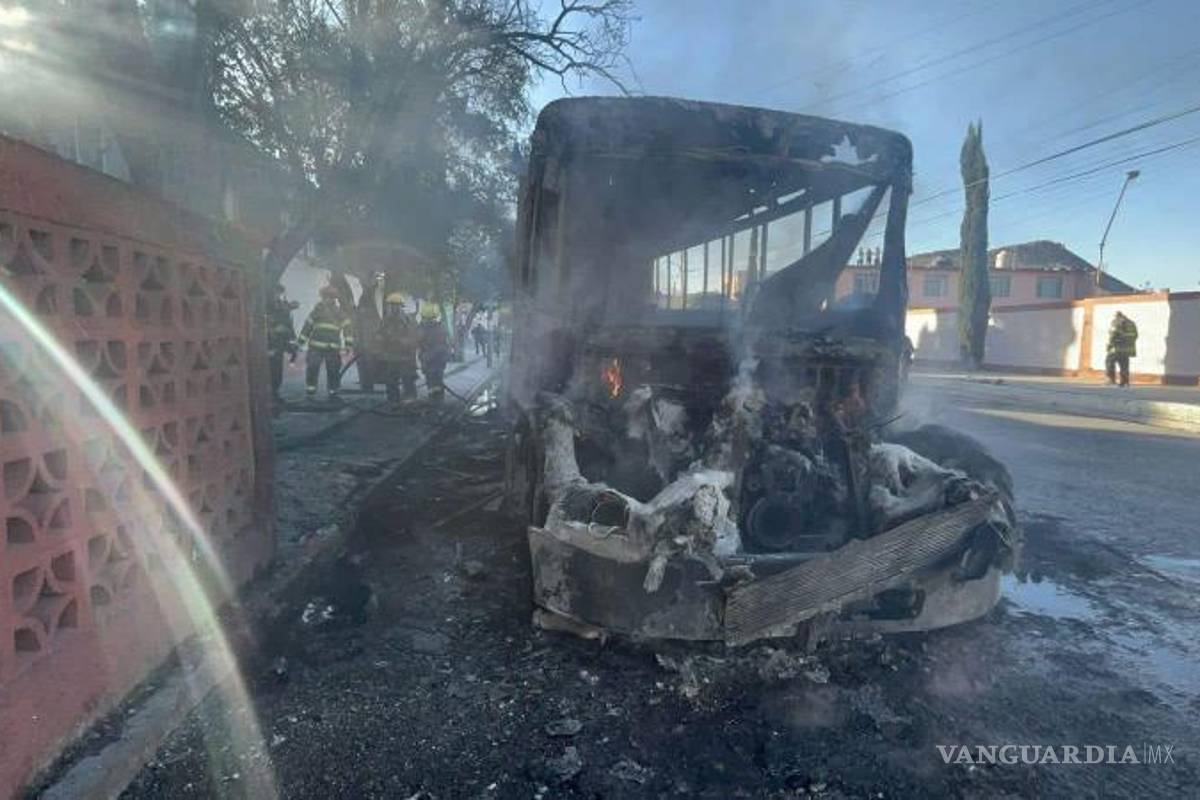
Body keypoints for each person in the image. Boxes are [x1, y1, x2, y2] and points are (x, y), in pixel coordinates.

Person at [298, 285, 355, 400]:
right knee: (312, 368)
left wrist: (348, 345)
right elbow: (307, 327)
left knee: (333, 370)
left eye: (331, 297)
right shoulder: (316, 311)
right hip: (315, 347)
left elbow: (348, 328)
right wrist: (300, 342)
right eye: (326, 297)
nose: (328, 299)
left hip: (332, 348)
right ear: (322, 297)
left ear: (334, 299)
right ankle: (310, 392)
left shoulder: (339, 313)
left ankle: (333, 393)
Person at [378, 293, 420, 405]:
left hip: (405, 358)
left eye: (396, 305)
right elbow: (379, 336)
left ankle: (410, 402)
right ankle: (393, 402)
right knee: (391, 382)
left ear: (401, 307)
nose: (393, 308)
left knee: (408, 380)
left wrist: (403, 341)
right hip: (390, 358)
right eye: (391, 305)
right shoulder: (385, 321)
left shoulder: (408, 321)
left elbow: (415, 338)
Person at [267, 284, 298, 403]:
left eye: (279, 293)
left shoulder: (281, 307)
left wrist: (291, 342)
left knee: (277, 370)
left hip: (279, 343)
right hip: (269, 342)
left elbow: (288, 324)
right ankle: (269, 395)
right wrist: (274, 330)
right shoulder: (266, 306)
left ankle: (275, 393)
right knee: (269, 370)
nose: (277, 296)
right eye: (276, 293)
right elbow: (263, 323)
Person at [418, 304, 451, 401]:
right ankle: (435, 403)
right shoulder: (425, 328)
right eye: (424, 318)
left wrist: (426, 357)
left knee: (435, 383)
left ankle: (437, 403)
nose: (425, 320)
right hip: (431, 361)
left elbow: (440, 347)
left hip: (436, 361)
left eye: (427, 318)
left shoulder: (438, 329)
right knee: (432, 383)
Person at [1105, 311, 1138, 387]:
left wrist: (1110, 344)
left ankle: (1111, 380)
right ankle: (1125, 382)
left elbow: (1113, 333)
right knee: (1124, 365)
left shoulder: (1117, 322)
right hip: (1128, 349)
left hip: (1117, 347)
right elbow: (1135, 335)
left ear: (1117, 316)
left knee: (1109, 361)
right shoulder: (1131, 323)